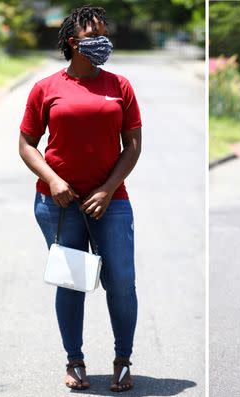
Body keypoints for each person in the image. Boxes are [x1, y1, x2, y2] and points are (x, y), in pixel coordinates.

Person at [17, 5, 142, 393]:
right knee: (71, 283)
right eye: (94, 35)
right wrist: (53, 180)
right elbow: (26, 143)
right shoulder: (46, 88)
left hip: (111, 201)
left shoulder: (120, 86)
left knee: (121, 282)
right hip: (59, 204)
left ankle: (123, 360)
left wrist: (107, 189)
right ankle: (75, 360)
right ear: (73, 42)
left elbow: (133, 145)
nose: (103, 41)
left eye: (106, 33)